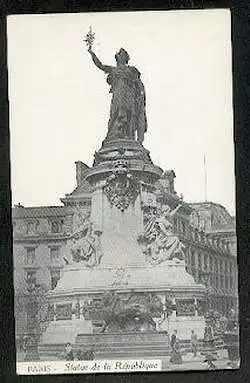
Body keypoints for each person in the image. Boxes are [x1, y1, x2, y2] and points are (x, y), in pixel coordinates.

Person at [88, 46, 147, 143]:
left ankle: (128, 135)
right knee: (116, 113)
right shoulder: (113, 70)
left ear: (126, 58)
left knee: (129, 114)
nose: (121, 57)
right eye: (120, 55)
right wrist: (92, 53)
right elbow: (100, 65)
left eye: (123, 55)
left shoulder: (131, 70)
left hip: (129, 96)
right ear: (117, 58)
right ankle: (116, 134)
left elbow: (139, 85)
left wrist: (140, 99)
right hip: (118, 95)